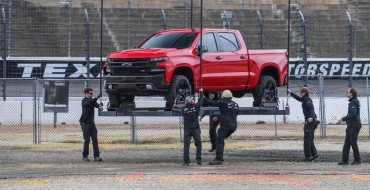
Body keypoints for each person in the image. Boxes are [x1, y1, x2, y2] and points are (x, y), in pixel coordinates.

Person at [203, 90, 239, 165]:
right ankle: (218, 154)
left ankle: (218, 159)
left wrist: (203, 98)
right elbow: (230, 113)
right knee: (220, 140)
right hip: (233, 126)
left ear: (224, 96)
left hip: (225, 125)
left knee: (220, 140)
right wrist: (220, 116)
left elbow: (212, 103)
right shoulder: (236, 104)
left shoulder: (223, 102)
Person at [287, 87, 319, 161]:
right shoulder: (305, 99)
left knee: (307, 139)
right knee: (310, 138)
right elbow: (298, 98)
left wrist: (311, 117)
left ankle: (308, 156)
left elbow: (311, 108)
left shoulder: (307, 99)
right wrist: (290, 93)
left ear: (304, 93)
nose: (300, 94)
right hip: (311, 121)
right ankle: (314, 153)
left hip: (310, 121)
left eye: (301, 92)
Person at [337, 88, 362, 165]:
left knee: (353, 142)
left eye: (347, 92)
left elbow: (353, 113)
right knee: (347, 143)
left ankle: (358, 160)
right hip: (351, 125)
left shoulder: (353, 102)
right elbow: (352, 114)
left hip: (354, 126)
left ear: (351, 94)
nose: (346, 93)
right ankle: (345, 160)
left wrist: (342, 119)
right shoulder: (353, 101)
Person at [181, 89, 204, 166]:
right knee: (198, 145)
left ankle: (186, 161)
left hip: (187, 129)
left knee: (186, 145)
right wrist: (201, 92)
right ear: (192, 102)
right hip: (195, 128)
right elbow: (201, 101)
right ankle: (198, 159)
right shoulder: (196, 107)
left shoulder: (183, 109)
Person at [79, 87, 102, 162]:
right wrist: (97, 97)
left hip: (92, 123)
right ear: (86, 93)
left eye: (92, 93)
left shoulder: (92, 101)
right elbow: (90, 103)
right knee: (87, 140)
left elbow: (97, 105)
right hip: (85, 123)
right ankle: (85, 156)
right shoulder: (84, 101)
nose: (92, 94)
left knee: (95, 140)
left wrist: (100, 105)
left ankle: (97, 156)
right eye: (90, 93)